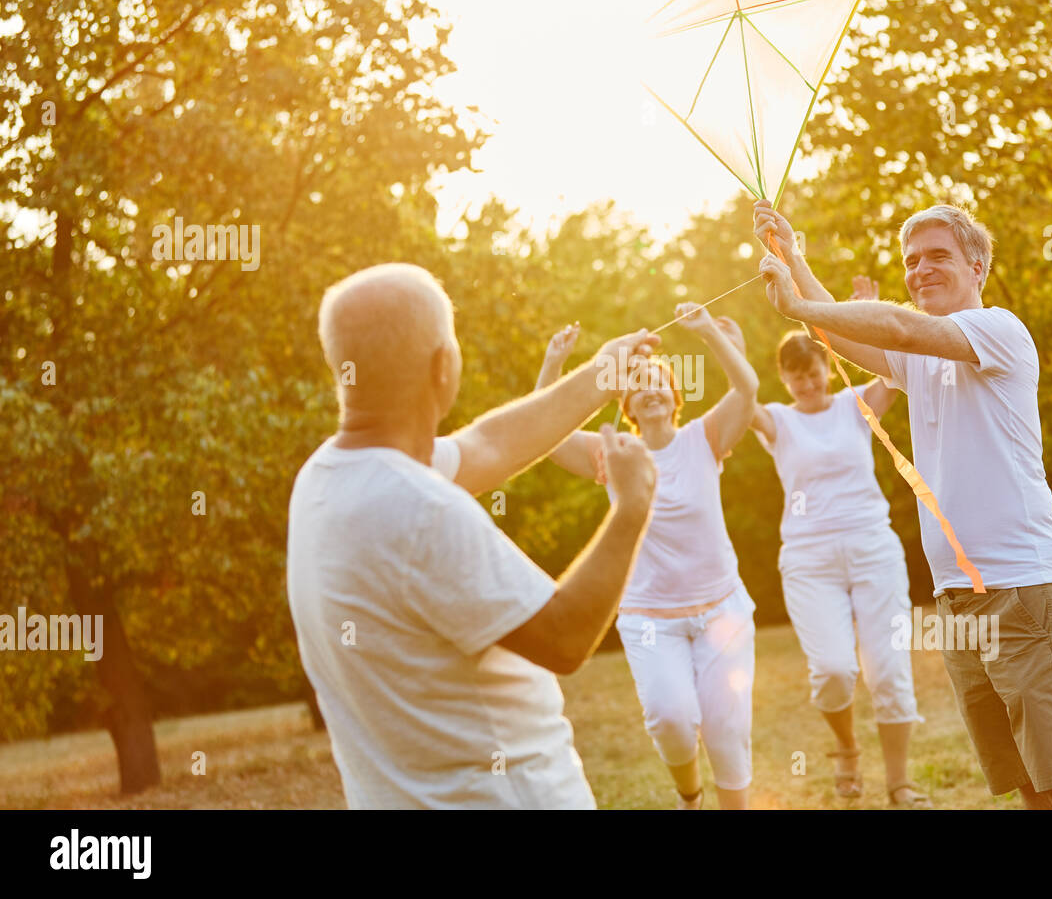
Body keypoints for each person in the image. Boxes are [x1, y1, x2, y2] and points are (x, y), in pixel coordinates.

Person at [754, 200, 1052, 809]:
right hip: (957, 599)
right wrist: (794, 259)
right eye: (911, 261)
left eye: (938, 256)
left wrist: (795, 304)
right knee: (1028, 781)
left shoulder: (999, 329)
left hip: (1023, 589)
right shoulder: (916, 359)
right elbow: (839, 332)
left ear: (977, 265)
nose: (921, 270)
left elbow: (893, 327)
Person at [287, 262, 660, 809]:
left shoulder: (324, 477)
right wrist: (631, 507)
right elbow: (565, 636)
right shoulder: (425, 513)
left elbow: (487, 445)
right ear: (443, 366)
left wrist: (601, 375)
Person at [536, 303, 759, 809]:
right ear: (627, 406)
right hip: (649, 618)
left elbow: (746, 389)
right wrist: (553, 366)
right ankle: (689, 795)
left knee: (727, 725)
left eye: (658, 380)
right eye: (637, 384)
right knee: (670, 718)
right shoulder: (614, 454)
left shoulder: (705, 439)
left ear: (674, 395)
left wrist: (708, 334)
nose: (650, 388)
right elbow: (547, 436)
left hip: (721, 610)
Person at [750, 276, 930, 806]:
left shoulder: (857, 406)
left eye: (814, 371)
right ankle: (847, 749)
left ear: (827, 367)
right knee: (833, 670)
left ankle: (899, 782)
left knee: (890, 670)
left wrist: (865, 312)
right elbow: (741, 400)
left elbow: (895, 364)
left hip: (872, 546)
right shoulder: (777, 422)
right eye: (796, 375)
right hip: (809, 559)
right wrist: (724, 343)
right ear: (783, 378)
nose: (807, 383)